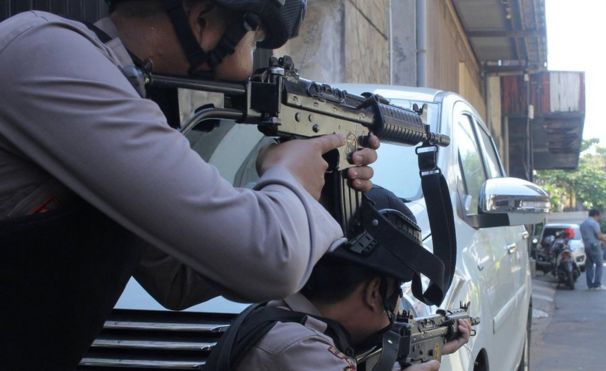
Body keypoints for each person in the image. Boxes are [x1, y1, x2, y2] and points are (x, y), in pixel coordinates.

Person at [0, 1, 380, 369]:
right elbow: (271, 263)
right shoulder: (49, 55)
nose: (258, 49)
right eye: (256, 33)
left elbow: (175, 277)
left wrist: (317, 191)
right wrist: (290, 178)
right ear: (203, 19)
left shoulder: (112, 85)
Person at [203, 187, 471, 371]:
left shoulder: (278, 316)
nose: (400, 311)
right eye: (397, 293)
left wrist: (426, 346)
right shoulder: (299, 348)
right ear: (374, 291)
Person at [580, 209, 606, 290]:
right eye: (598, 216)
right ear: (596, 215)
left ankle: (590, 285)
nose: (598, 218)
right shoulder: (594, 223)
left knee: (589, 266)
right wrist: (605, 240)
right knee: (599, 265)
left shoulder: (583, 224)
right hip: (594, 246)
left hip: (586, 246)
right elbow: (598, 236)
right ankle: (597, 284)